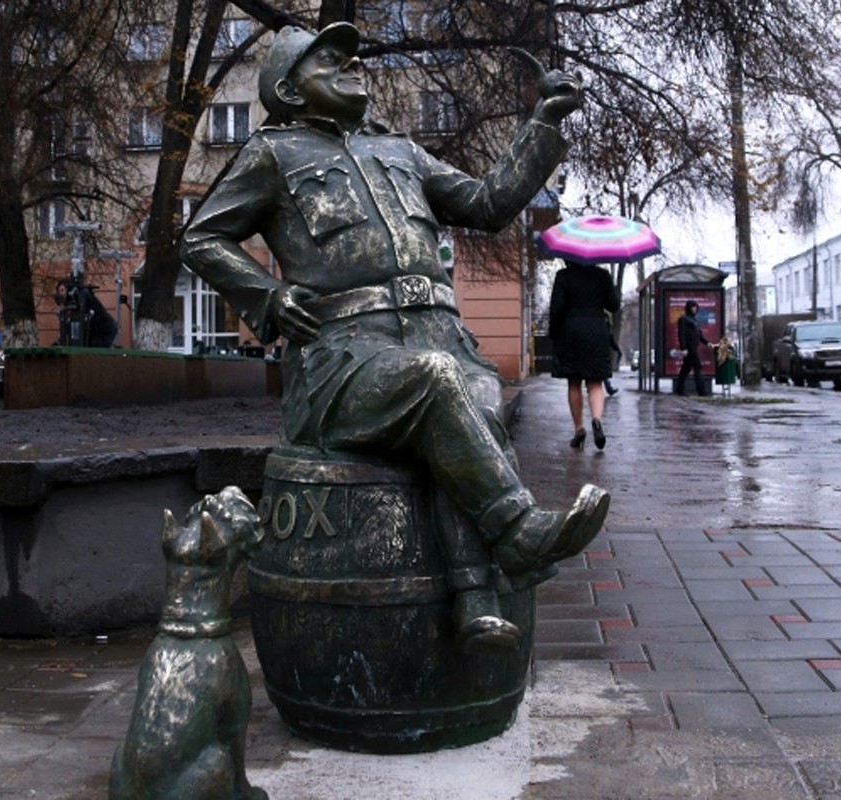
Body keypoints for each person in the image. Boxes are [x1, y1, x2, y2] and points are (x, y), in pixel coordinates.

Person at [181, 23, 609, 653]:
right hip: (343, 363)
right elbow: (201, 237)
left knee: (469, 397)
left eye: (348, 53)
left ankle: (474, 602)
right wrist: (268, 297)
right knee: (438, 383)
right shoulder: (273, 154)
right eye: (329, 59)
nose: (352, 61)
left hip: (439, 339)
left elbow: (489, 203)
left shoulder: (401, 151)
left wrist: (543, 121)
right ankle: (515, 535)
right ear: (290, 91)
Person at [548, 261, 620, 450]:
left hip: (571, 330)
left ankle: (579, 428)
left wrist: (554, 333)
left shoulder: (563, 276)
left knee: (574, 382)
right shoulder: (602, 275)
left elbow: (556, 308)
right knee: (595, 382)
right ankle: (596, 419)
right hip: (596, 329)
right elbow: (614, 305)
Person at [55, 280, 118, 348]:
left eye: (62, 290)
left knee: (97, 351)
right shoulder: (73, 302)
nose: (61, 293)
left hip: (105, 329)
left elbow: (82, 318)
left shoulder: (82, 296)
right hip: (94, 331)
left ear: (69, 289)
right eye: (59, 291)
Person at [674, 300, 712, 396]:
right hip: (689, 348)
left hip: (693, 347)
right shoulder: (684, 319)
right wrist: (684, 348)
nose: (695, 309)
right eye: (693, 307)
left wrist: (707, 343)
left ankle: (679, 389)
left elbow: (699, 334)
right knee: (697, 367)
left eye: (695, 307)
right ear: (689, 308)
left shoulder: (694, 320)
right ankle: (701, 391)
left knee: (686, 369)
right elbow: (681, 334)